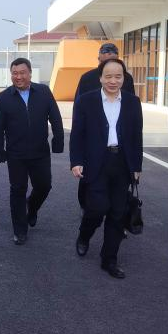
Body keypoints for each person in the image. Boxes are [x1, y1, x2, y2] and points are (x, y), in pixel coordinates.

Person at [70, 58, 142, 279]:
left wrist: (136, 166)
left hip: (122, 163)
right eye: (108, 76)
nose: (113, 81)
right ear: (100, 78)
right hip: (95, 163)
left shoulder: (132, 102)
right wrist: (76, 161)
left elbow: (136, 136)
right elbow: (77, 134)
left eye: (118, 76)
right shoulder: (86, 101)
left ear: (124, 78)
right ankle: (84, 235)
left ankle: (109, 259)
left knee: (118, 213)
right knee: (97, 207)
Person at [0, 58, 64, 245]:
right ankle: (20, 230)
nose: (18, 77)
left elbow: (55, 118)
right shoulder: (4, 98)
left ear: (30, 73)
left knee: (44, 186)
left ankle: (31, 207)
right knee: (17, 190)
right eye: (14, 73)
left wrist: (58, 142)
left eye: (22, 73)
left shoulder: (43, 92)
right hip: (16, 154)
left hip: (40, 152)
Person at [75, 42, 135, 211]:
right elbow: (78, 109)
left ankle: (114, 216)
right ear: (98, 60)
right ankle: (87, 209)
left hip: (118, 145)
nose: (113, 81)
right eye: (104, 61)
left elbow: (131, 112)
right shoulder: (87, 78)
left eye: (113, 60)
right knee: (90, 187)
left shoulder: (127, 79)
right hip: (93, 142)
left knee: (118, 197)